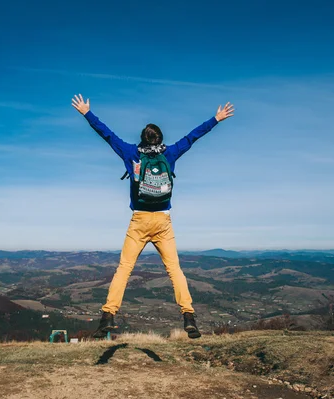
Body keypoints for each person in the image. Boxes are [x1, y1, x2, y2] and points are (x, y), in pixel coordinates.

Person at [71, 94, 234, 339]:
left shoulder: (130, 153)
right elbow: (192, 137)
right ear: (160, 139)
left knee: (124, 268)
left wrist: (87, 113)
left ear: (142, 139)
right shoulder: (170, 154)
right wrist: (216, 119)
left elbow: (107, 135)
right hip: (163, 222)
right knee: (174, 270)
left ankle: (108, 315)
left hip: (139, 221)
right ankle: (188, 316)